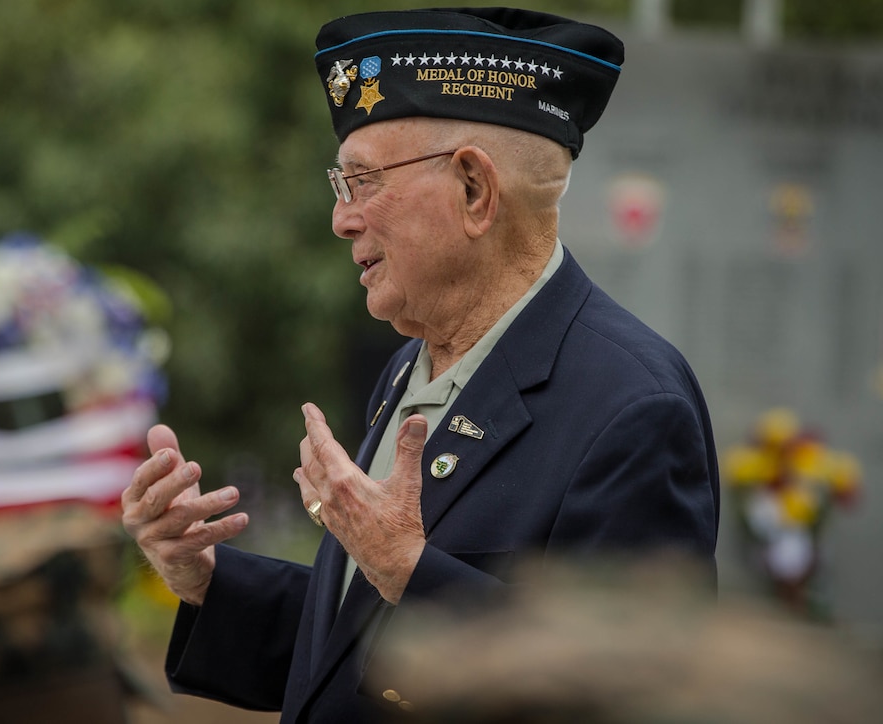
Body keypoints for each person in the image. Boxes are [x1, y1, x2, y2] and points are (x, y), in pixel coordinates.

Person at [122, 7, 719, 723]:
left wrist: (409, 567)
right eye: (341, 186)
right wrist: (204, 578)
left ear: (474, 191)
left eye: (363, 181)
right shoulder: (413, 365)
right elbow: (353, 647)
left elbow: (632, 693)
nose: (343, 219)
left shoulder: (632, 405)